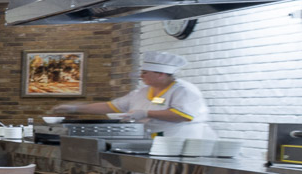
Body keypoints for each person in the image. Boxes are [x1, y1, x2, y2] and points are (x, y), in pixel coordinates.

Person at [53, 51, 212, 141]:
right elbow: (111, 106)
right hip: (153, 140)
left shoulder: (183, 90)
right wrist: (76, 108)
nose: (141, 76)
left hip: (182, 141)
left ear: (161, 74)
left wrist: (146, 113)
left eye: (145, 73)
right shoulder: (142, 92)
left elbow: (183, 115)